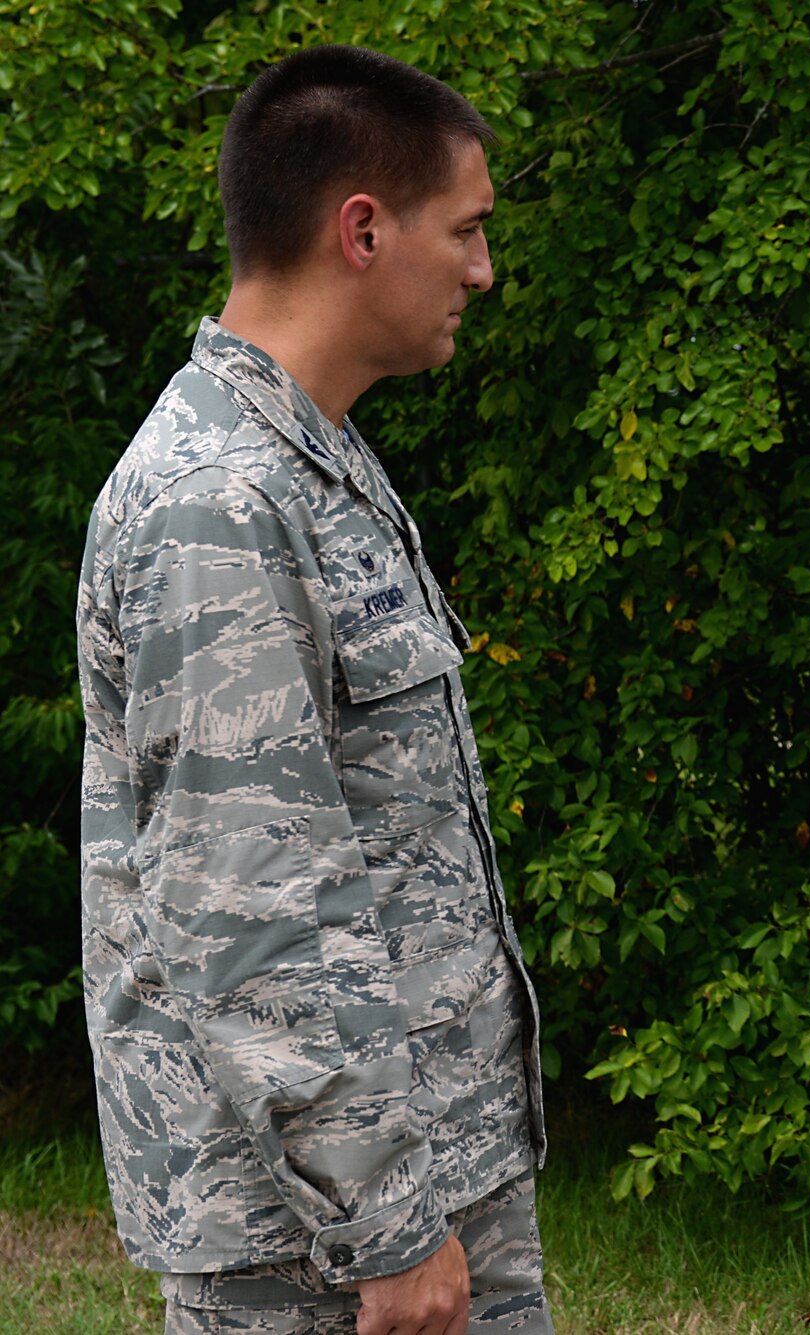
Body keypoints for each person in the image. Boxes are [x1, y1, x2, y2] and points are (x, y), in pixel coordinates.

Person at [76, 45, 551, 1334]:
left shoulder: (310, 457)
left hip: (412, 1192)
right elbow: (249, 898)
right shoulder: (218, 506)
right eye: (465, 231)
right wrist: (386, 1222)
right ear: (361, 229)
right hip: (318, 1254)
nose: (480, 270)